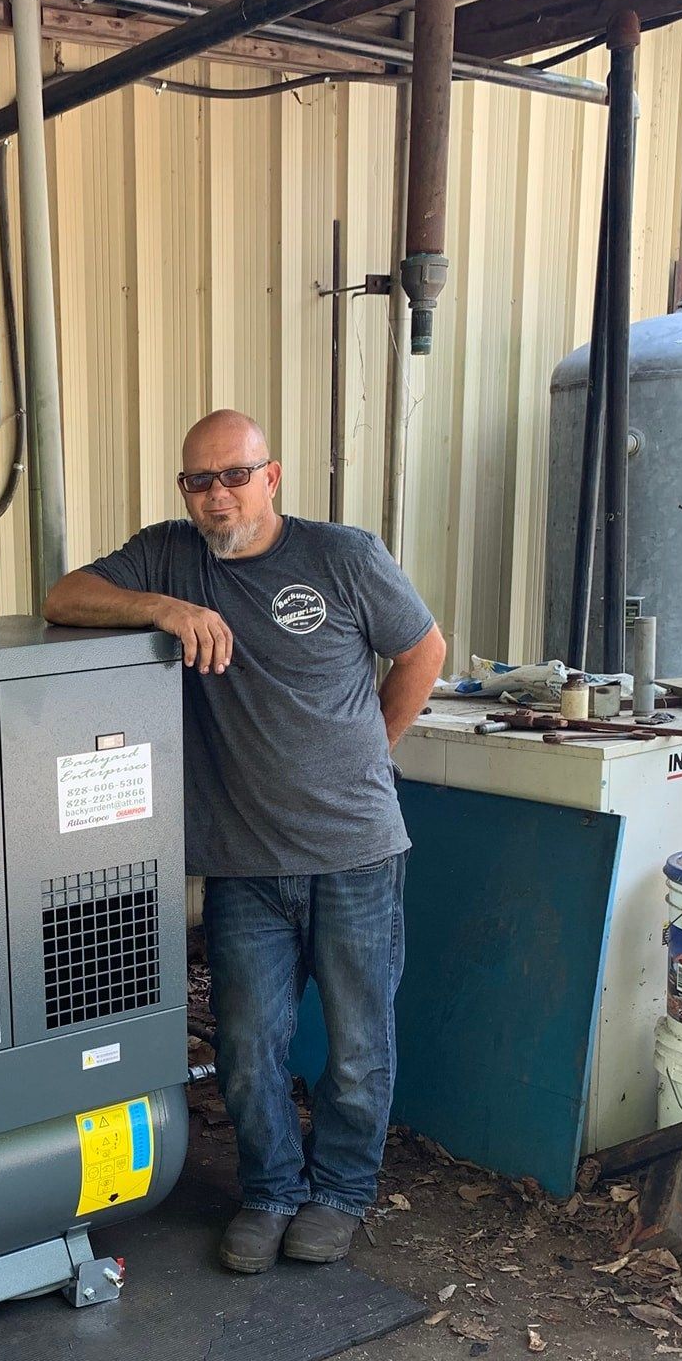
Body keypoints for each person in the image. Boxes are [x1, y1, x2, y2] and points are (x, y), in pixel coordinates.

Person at [44, 410, 446, 1273]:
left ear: (273, 476)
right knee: (247, 1044)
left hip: (354, 854)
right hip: (241, 863)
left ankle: (339, 1192)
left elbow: (422, 651)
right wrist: (161, 606)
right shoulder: (169, 554)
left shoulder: (343, 556)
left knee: (355, 1043)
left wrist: (374, 749)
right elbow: (62, 596)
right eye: (199, 480)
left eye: (234, 475)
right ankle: (270, 1191)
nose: (218, 495)